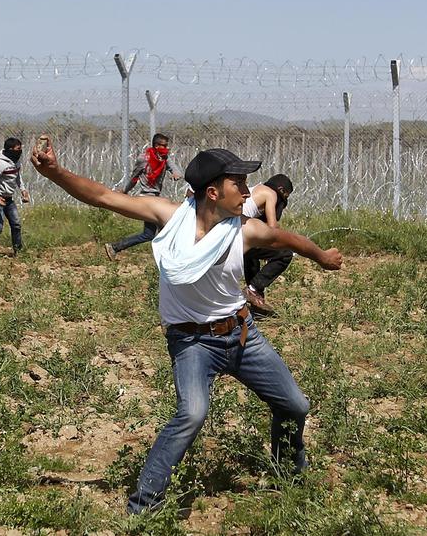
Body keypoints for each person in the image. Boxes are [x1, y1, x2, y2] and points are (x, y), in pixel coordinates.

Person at [31, 137, 342, 514]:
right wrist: (55, 172)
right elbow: (104, 197)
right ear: (212, 192)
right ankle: (143, 506)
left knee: (294, 404)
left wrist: (322, 256)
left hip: (242, 335)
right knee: (192, 414)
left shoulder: (244, 230)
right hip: (193, 343)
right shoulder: (169, 217)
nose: (248, 192)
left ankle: (287, 477)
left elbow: (286, 238)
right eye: (238, 184)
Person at [104, 133, 183, 260]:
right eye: (164, 146)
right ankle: (115, 247)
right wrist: (125, 190)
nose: (166, 148)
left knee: (158, 232)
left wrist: (176, 174)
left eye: (167, 146)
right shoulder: (144, 159)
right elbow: (134, 178)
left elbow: (175, 169)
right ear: (156, 146)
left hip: (156, 199)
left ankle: (115, 247)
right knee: (156, 232)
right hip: (147, 199)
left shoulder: (164, 158)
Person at [241, 174, 295, 316]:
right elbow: (273, 229)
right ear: (281, 191)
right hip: (237, 237)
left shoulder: (255, 189)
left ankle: (255, 300)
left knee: (251, 255)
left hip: (229, 234)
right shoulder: (271, 194)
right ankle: (253, 289)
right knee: (285, 254)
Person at [0, 137, 30, 254]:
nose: (20, 151)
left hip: (9, 199)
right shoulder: (0, 164)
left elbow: (17, 177)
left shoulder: (16, 162)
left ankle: (18, 251)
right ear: (10, 149)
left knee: (16, 224)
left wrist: (23, 190)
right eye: (18, 149)